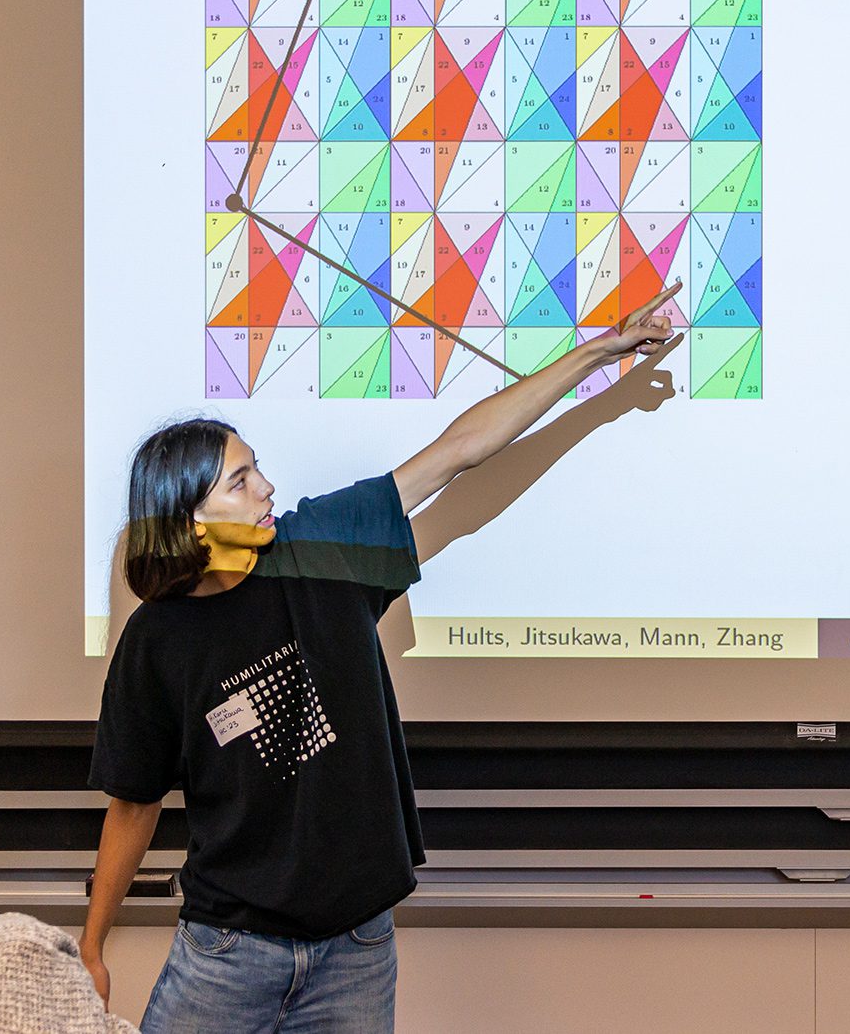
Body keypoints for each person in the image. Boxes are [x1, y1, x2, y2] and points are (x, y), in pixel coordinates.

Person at [82, 286, 679, 1033]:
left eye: (257, 468)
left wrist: (600, 351)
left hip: (356, 950)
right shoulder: (157, 643)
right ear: (190, 518)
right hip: (227, 952)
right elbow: (132, 802)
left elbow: (461, 450)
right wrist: (94, 941)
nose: (267, 486)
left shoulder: (324, 548)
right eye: (240, 481)